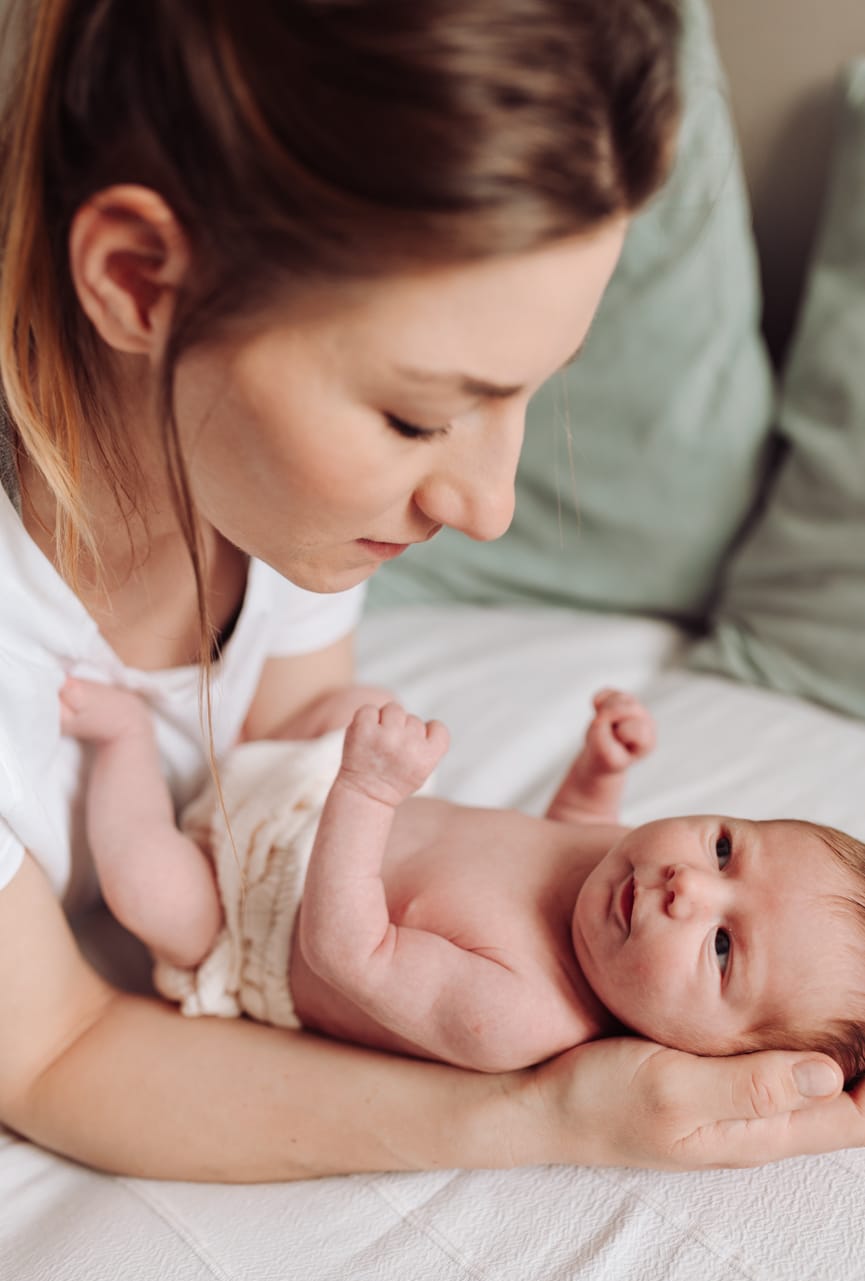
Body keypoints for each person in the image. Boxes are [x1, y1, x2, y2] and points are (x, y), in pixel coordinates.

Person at [0, 0, 860, 1186]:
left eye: (527, 393)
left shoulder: (262, 509)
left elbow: (285, 767)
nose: (488, 504)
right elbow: (54, 1055)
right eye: (422, 413)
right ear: (142, 281)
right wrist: (557, 1118)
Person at [60, 679, 865, 1083]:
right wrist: (599, 768)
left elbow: (349, 950)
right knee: (362, 698)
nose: (687, 887)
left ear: (705, 1056)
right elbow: (570, 830)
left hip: (247, 915)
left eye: (722, 948)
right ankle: (236, 752)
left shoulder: (521, 1015)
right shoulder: (619, 879)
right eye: (724, 849)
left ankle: (124, 740)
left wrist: (371, 790)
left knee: (150, 895)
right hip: (312, 791)